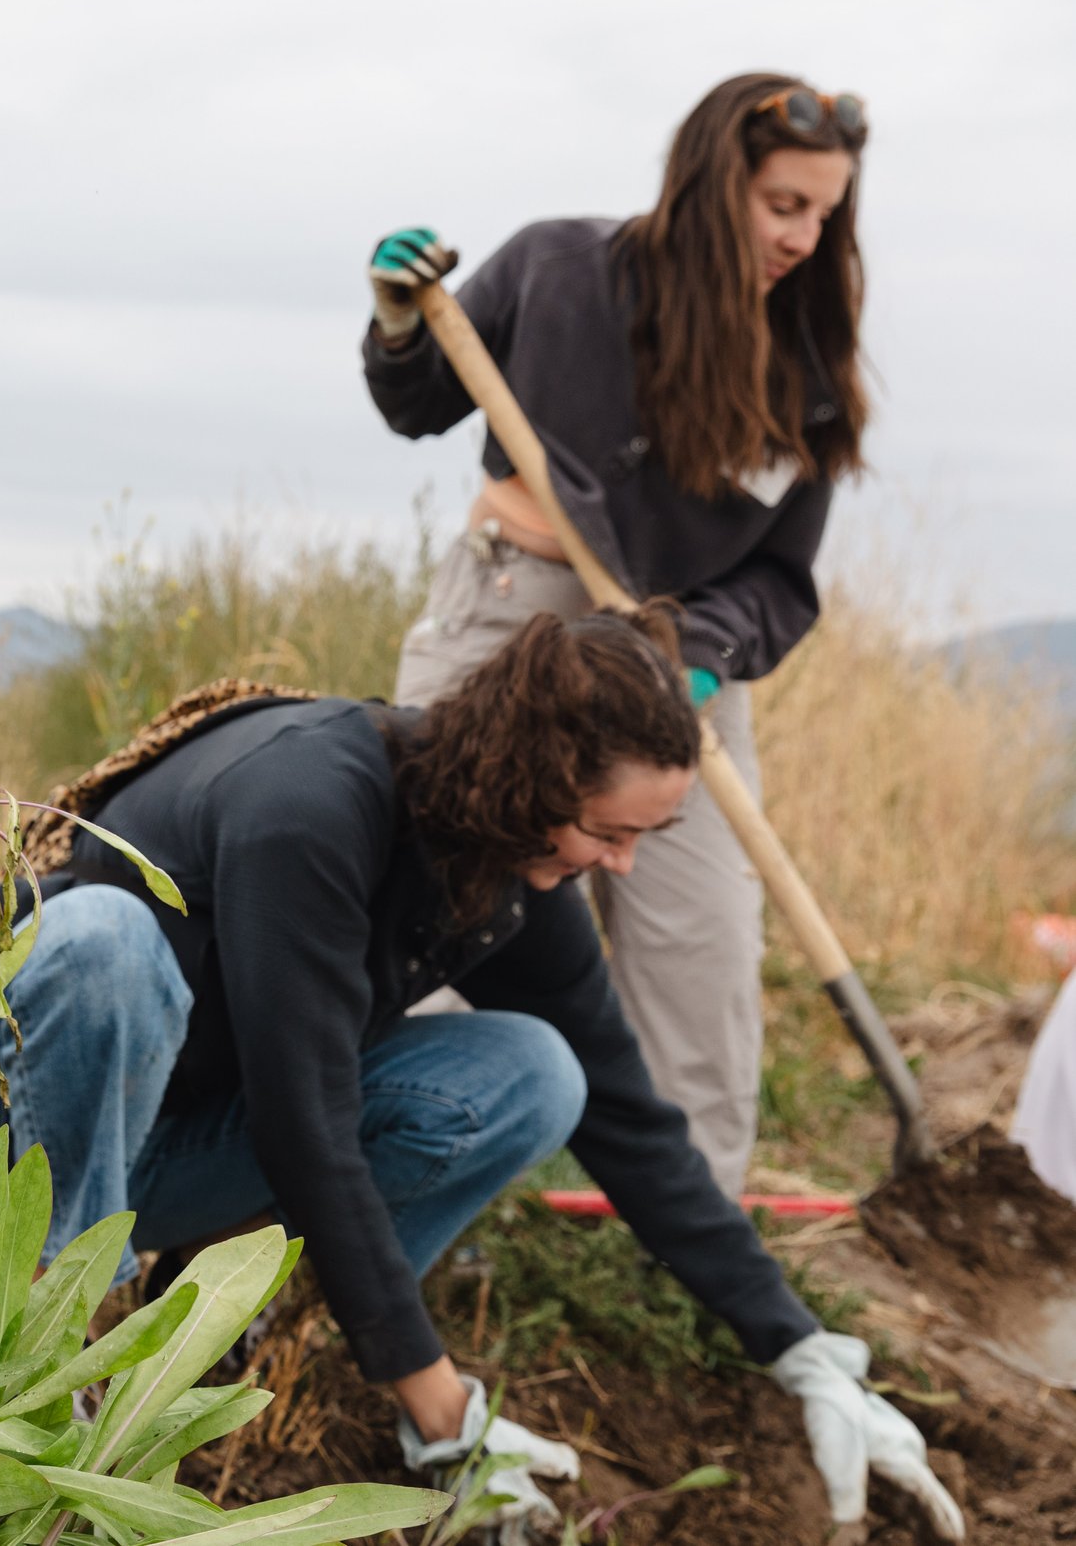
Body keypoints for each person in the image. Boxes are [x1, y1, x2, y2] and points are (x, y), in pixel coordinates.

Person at [0, 610, 960, 1541]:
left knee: (540, 1069)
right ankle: (35, 1379)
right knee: (108, 940)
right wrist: (441, 1405)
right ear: (532, 775)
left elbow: (629, 1113)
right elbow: (305, 1120)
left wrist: (799, 1344)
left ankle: (202, 1311)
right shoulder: (309, 802)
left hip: (155, 1142)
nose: (618, 864)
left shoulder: (509, 863)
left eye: (642, 839)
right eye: (608, 832)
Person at [360, 73, 870, 1197]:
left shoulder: (805, 371)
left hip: (679, 658)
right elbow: (419, 401)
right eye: (783, 203)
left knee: (702, 929)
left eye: (825, 213)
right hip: (508, 612)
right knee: (439, 877)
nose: (804, 235)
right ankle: (398, 1175)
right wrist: (400, 320)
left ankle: (691, 1212)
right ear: (709, 182)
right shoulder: (555, 268)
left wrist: (701, 655)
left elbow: (780, 581)